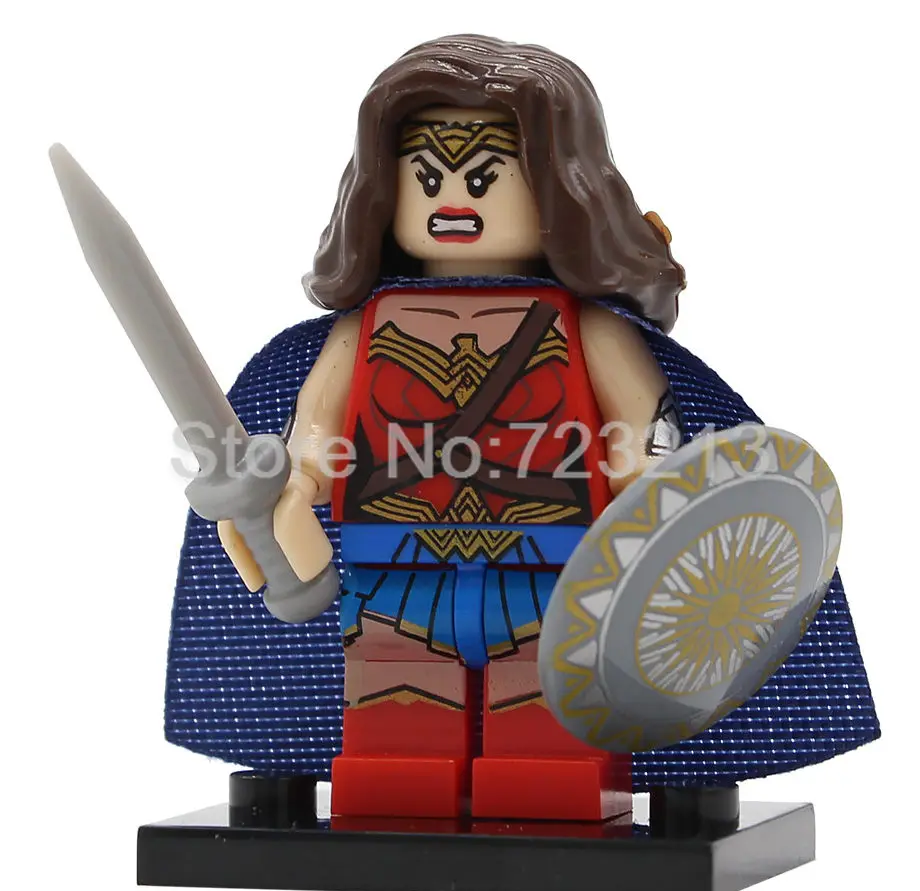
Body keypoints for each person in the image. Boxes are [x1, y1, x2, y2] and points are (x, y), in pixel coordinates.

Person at [166, 34, 879, 821]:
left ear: (559, 187)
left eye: (485, 176)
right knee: (399, 708)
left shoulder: (589, 330)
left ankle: (551, 796)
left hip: (553, 567)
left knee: (545, 712)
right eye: (427, 176)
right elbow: (316, 443)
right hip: (395, 563)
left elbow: (643, 439)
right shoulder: (359, 332)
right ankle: (395, 800)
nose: (453, 199)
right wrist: (285, 496)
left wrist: (655, 509)